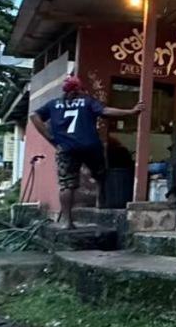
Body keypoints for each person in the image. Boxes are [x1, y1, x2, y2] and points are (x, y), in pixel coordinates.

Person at [30, 75, 142, 228]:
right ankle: (100, 204)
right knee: (101, 175)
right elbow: (106, 111)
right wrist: (131, 112)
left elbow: (34, 116)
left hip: (66, 148)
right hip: (90, 146)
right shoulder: (87, 101)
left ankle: (66, 221)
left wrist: (50, 138)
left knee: (66, 185)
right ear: (77, 90)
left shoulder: (53, 104)